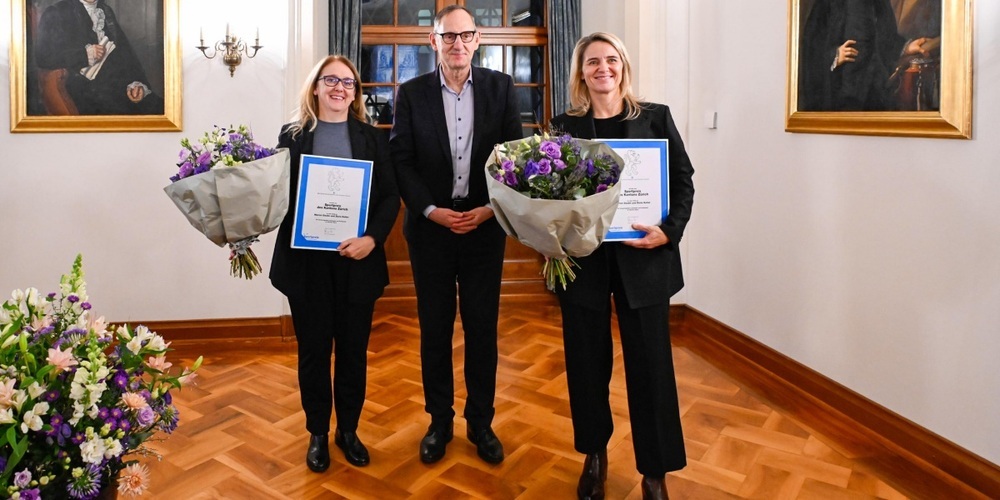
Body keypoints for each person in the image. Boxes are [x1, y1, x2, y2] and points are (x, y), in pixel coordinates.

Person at [548, 32, 695, 500]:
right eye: (592, 62)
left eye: (611, 60)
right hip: (584, 264)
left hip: (644, 260)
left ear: (623, 67)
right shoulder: (563, 126)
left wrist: (668, 231)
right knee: (586, 367)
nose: (603, 69)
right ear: (581, 72)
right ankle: (594, 456)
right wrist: (553, 237)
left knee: (651, 370)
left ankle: (655, 472)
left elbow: (684, 182)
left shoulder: (655, 119)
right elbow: (546, 198)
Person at [389, 5, 522, 465]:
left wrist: (489, 209)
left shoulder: (501, 88)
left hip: (486, 227)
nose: (457, 44)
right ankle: (439, 421)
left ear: (478, 38)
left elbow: (512, 157)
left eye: (465, 35)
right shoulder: (411, 93)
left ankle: (481, 422)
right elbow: (401, 159)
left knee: (482, 329)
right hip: (431, 231)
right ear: (434, 41)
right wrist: (430, 211)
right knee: (435, 329)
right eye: (448, 37)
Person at [269, 55, 400, 472]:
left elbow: (389, 198)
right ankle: (317, 434)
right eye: (331, 80)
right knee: (312, 353)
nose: (340, 88)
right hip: (306, 265)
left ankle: (348, 431)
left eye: (348, 82)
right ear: (315, 87)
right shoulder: (291, 136)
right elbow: (276, 196)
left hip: (356, 262)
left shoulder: (372, 138)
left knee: (352, 353)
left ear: (356, 93)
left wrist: (372, 239)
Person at [33, 0, 163, 115]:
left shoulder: (106, 11)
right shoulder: (56, 13)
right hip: (85, 93)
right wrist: (85, 55)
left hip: (118, 88)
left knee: (159, 108)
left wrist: (136, 84)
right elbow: (43, 56)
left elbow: (127, 56)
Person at [799, 0, 931, 111]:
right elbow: (812, 43)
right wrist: (834, 55)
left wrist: (905, 47)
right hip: (843, 88)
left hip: (875, 86)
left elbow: (886, 36)